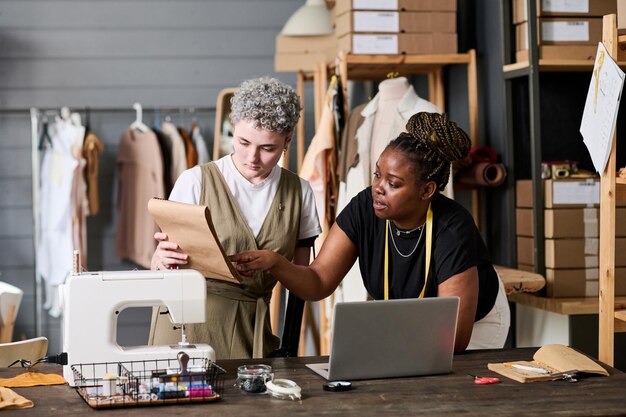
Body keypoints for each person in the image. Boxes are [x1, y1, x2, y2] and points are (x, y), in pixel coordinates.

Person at [231, 112, 510, 353]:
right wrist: (276, 263)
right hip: (413, 325)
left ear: (426, 190)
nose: (378, 188)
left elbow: (454, 338)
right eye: (377, 175)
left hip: (474, 327)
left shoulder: (453, 228)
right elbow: (318, 282)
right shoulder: (366, 207)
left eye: (393, 183)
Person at [149, 76, 322, 359]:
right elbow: (161, 268)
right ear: (233, 127)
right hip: (184, 329)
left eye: (268, 148)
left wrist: (290, 347)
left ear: (287, 141)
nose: (252, 157)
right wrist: (160, 261)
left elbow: (301, 283)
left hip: (251, 333)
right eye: (243, 142)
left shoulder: (299, 193)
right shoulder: (195, 182)